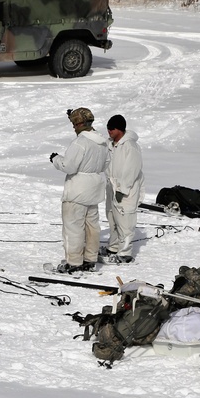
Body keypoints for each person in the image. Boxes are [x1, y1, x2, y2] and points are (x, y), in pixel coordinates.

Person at [49, 107, 108, 274]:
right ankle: (90, 259)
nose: (74, 128)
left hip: (77, 190)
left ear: (80, 124)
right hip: (94, 188)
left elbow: (69, 166)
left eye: (74, 124)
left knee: (73, 227)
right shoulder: (102, 141)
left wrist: (56, 159)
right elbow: (105, 164)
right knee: (92, 227)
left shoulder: (80, 142)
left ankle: (73, 262)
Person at [103, 114, 144, 264]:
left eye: (111, 128)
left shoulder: (130, 146)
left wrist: (122, 189)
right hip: (111, 188)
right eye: (108, 128)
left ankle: (125, 254)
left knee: (125, 222)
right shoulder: (111, 145)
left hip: (125, 192)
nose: (109, 131)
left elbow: (131, 170)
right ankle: (113, 248)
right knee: (113, 219)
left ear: (119, 129)